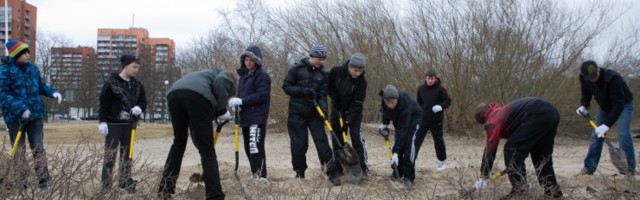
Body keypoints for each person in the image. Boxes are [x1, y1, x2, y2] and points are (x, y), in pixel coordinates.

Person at [158, 67, 235, 200]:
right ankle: (215, 195)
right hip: (196, 97)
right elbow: (221, 81)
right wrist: (222, 110)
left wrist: (201, 143)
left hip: (174, 95)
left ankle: (165, 190)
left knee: (179, 143)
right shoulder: (225, 75)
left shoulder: (203, 76)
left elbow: (196, 127)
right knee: (208, 151)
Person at [0, 40, 62, 189]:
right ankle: (21, 182)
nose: (28, 55)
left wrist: (52, 92)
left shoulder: (33, 69)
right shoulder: (5, 70)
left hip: (35, 116)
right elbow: (2, 93)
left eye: (28, 52)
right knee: (19, 150)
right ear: (16, 54)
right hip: (15, 118)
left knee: (38, 148)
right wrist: (20, 108)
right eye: (24, 53)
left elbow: (40, 86)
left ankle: (44, 181)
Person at [473, 97, 563, 199]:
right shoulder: (503, 112)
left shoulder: (493, 120)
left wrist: (484, 175)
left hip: (536, 114)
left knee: (511, 149)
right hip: (551, 113)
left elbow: (490, 149)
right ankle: (553, 192)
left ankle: (520, 189)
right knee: (541, 158)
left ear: (483, 120)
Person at [282, 44, 341, 186]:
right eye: (318, 58)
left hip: (315, 114)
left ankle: (331, 172)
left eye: (323, 59)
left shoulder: (323, 74)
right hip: (296, 113)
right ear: (311, 56)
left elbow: (322, 95)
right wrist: (303, 91)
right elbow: (286, 87)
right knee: (299, 144)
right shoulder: (296, 68)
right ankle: (299, 172)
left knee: (322, 143)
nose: (321, 61)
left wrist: (324, 111)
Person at [98, 54, 147, 193]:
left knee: (127, 156)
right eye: (134, 67)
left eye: (138, 67)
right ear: (125, 65)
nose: (137, 70)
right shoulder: (111, 83)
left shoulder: (137, 85)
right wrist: (103, 121)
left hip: (130, 126)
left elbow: (143, 100)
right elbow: (104, 104)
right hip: (113, 125)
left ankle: (124, 183)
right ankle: (106, 186)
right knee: (110, 156)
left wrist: (139, 107)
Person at [575, 60, 635, 175]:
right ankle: (589, 168)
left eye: (594, 76)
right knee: (596, 135)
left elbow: (618, 105)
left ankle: (630, 169)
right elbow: (586, 93)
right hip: (604, 105)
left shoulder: (613, 78)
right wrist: (584, 105)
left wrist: (606, 126)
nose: (592, 80)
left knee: (623, 134)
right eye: (589, 78)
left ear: (598, 69)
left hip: (623, 105)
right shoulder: (583, 77)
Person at [228, 45, 271, 182]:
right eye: (246, 60)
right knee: (248, 147)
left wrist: (242, 101)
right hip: (246, 117)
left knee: (255, 146)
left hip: (257, 117)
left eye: (251, 60)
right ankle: (255, 173)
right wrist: (238, 106)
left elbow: (261, 95)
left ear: (257, 61)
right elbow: (241, 96)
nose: (248, 62)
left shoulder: (263, 76)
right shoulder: (243, 77)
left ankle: (261, 175)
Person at [327, 53, 368, 176]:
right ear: (349, 67)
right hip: (336, 110)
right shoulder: (336, 71)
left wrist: (348, 121)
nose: (357, 74)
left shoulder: (362, 81)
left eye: (360, 71)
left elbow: (358, 102)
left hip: (354, 112)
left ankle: (362, 167)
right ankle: (339, 167)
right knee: (337, 139)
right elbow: (329, 87)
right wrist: (335, 99)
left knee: (356, 138)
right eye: (355, 70)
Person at [377, 84, 422, 190]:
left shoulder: (405, 105)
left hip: (415, 119)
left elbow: (403, 131)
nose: (390, 104)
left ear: (397, 99)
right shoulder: (385, 101)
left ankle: (408, 177)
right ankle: (397, 173)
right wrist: (385, 123)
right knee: (398, 145)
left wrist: (396, 153)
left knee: (409, 146)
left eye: (393, 102)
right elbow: (386, 112)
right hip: (401, 121)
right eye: (388, 102)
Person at [415, 69, 451, 172]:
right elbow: (418, 102)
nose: (430, 80)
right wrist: (421, 111)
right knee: (417, 139)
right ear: (425, 78)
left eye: (432, 78)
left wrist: (440, 106)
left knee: (438, 140)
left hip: (436, 120)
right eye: (428, 78)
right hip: (423, 119)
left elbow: (448, 101)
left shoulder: (441, 89)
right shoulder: (421, 89)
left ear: (435, 79)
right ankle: (411, 160)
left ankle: (441, 161)